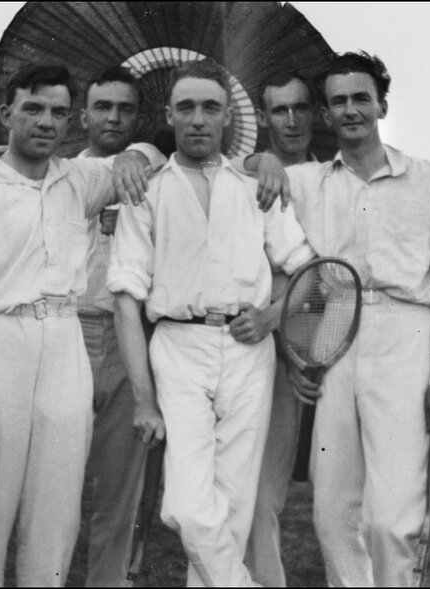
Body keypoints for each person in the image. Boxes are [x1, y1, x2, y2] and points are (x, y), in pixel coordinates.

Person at [0, 64, 163, 587]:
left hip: (64, 342)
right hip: (0, 344)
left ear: (70, 120)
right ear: (6, 113)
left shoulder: (77, 181)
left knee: (56, 512)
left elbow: (147, 159)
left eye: (59, 112)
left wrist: (133, 154)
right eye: (33, 109)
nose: (46, 122)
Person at [249, 51, 430, 587]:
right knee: (332, 514)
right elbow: (243, 176)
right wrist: (264, 161)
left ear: (382, 106)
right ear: (326, 115)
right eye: (339, 102)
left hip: (405, 339)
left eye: (361, 99)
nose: (351, 110)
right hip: (337, 339)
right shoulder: (308, 182)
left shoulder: (429, 180)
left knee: (391, 519)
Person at [107, 59, 316, 587]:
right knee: (187, 505)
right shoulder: (146, 190)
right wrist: (144, 400)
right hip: (178, 347)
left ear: (227, 117)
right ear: (169, 115)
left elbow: (306, 270)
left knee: (234, 508)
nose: (198, 119)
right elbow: (127, 300)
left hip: (249, 351)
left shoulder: (256, 185)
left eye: (210, 108)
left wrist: (271, 317)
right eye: (186, 108)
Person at [74, 65, 152, 588]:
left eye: (125, 109)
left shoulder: (153, 170)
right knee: (57, 479)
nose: (113, 117)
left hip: (128, 335)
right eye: (102, 107)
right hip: (70, 331)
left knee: (120, 484)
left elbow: (149, 155)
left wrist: (135, 156)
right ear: (83, 115)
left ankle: (107, 581)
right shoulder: (62, 174)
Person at [244, 71, 320, 588]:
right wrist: (258, 162)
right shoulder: (247, 176)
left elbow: (333, 271)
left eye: (300, 108)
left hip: (329, 343)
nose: (291, 121)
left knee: (342, 496)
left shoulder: (333, 176)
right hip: (268, 351)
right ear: (262, 116)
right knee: (258, 493)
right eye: (278, 110)